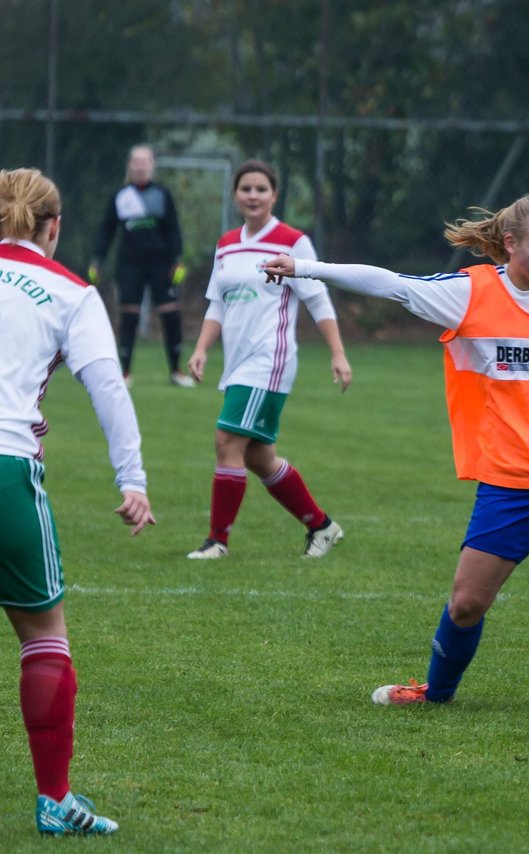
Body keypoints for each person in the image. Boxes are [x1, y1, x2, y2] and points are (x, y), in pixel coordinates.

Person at [263, 194, 529, 719]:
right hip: (509, 480)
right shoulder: (467, 293)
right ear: (510, 244)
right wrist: (305, 267)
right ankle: (435, 692)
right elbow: (390, 283)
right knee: (467, 603)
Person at [1, 167, 157, 836]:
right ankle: (54, 801)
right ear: (54, 227)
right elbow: (108, 388)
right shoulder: (70, 291)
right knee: (43, 636)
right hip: (6, 470)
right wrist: (133, 477)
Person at [185, 160, 350, 560]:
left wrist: (338, 353)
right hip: (237, 363)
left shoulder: (293, 241)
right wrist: (201, 348)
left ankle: (217, 541)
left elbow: (317, 299)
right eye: (246, 189)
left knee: (226, 441)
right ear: (235, 195)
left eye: (261, 189)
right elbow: (216, 304)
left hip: (269, 361)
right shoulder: (226, 244)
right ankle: (322, 526)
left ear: (274, 195)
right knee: (259, 457)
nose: (253, 195)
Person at [89, 144, 195, 388]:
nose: (140, 166)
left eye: (145, 161)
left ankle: (177, 371)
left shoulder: (162, 194)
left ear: (152, 165)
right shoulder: (120, 195)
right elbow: (107, 231)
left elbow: (173, 229)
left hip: (161, 264)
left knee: (170, 313)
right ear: (129, 165)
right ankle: (124, 373)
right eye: (136, 161)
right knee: (129, 316)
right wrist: (98, 259)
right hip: (130, 265)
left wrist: (177, 259)